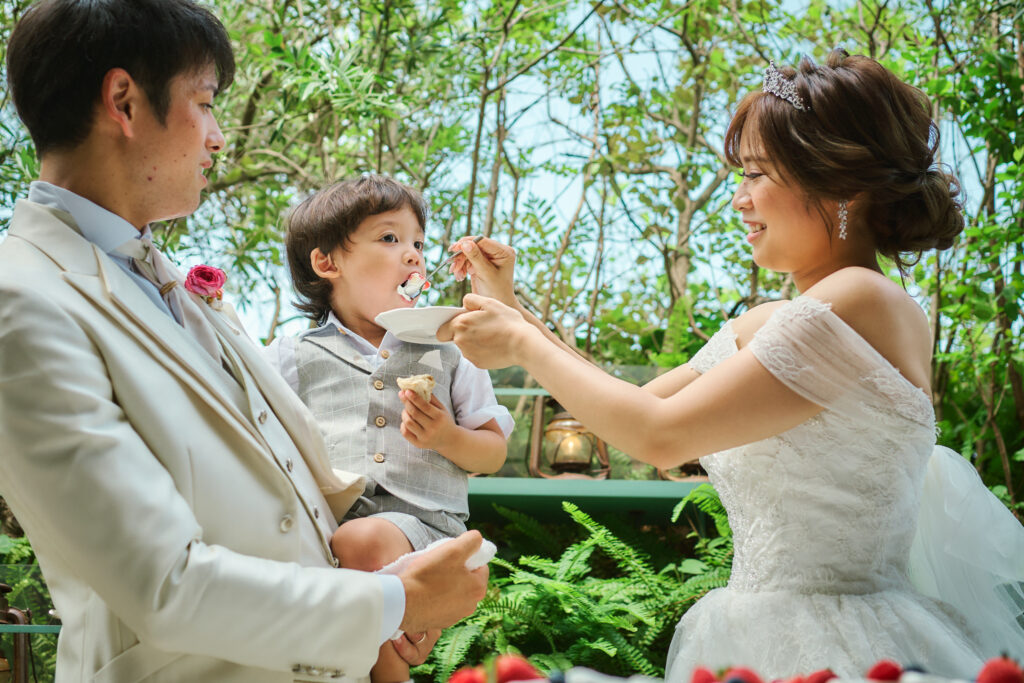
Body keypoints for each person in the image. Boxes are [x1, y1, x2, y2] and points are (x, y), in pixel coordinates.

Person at [439, 49, 1024, 678]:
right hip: (755, 624)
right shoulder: (780, 317)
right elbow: (636, 407)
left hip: (842, 641)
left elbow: (659, 437)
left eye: (757, 174)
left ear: (841, 184)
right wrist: (509, 302)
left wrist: (521, 343)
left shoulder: (862, 299)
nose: (739, 199)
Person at [0, 2, 488, 681]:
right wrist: (390, 601)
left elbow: (292, 477)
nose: (219, 137)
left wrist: (397, 583)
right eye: (204, 103)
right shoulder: (20, 300)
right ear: (124, 102)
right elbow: (161, 582)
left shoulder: (167, 278)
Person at [263, 175, 513, 683]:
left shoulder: (454, 349)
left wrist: (446, 438)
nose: (414, 256)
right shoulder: (289, 357)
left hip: (429, 531)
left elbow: (492, 452)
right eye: (389, 238)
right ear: (327, 263)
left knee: (365, 540)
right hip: (328, 532)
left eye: (418, 243)